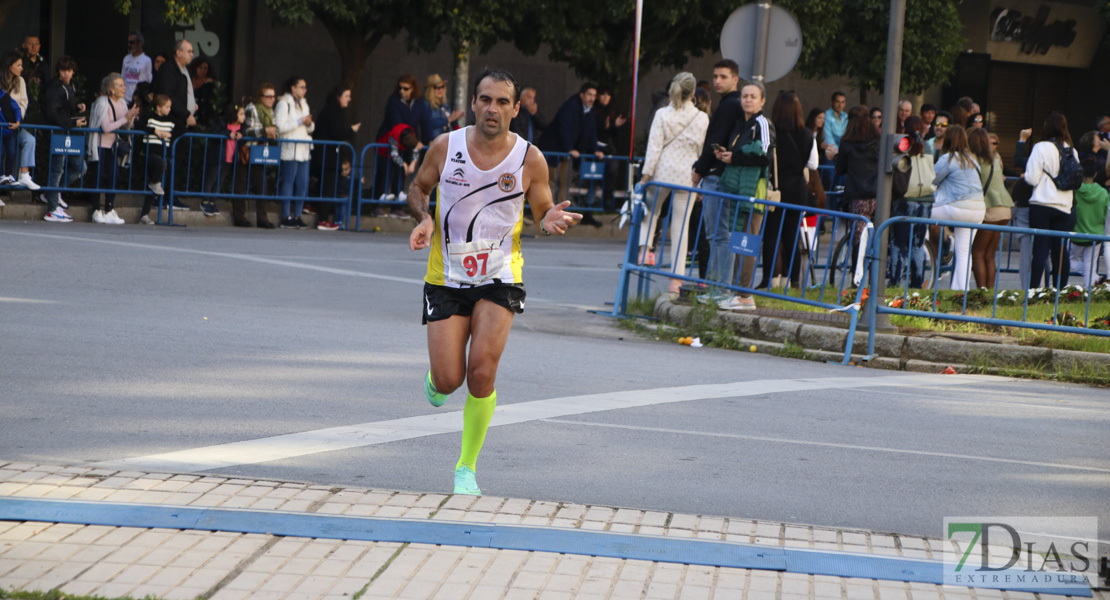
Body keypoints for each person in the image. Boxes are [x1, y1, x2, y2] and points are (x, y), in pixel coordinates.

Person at [406, 68, 582, 495]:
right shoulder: (446, 147)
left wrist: (550, 218)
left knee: (481, 372)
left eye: (503, 102)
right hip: (446, 277)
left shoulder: (529, 158)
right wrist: (424, 216)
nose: (492, 108)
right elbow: (418, 187)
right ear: (474, 103)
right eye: (486, 99)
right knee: (450, 379)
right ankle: (437, 380)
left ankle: (466, 468)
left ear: (516, 109)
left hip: (500, 276)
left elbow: (541, 211)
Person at [637, 72, 708, 296]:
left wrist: (646, 174)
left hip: (662, 172)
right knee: (681, 227)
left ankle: (645, 251)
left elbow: (654, 147)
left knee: (651, 212)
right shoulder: (702, 118)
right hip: (687, 177)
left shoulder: (662, 114)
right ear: (693, 93)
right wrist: (701, 182)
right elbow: (701, 151)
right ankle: (676, 281)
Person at [713, 81, 774, 311]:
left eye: (753, 96)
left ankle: (746, 296)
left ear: (762, 101)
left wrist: (735, 157)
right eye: (745, 96)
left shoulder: (762, 123)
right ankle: (739, 292)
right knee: (739, 241)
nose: (747, 100)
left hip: (754, 192)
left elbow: (765, 154)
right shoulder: (743, 124)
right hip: (739, 190)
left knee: (747, 243)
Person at [691, 59, 743, 290]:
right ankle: (718, 285)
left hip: (718, 175)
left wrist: (699, 169)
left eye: (723, 76)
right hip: (721, 174)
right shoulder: (730, 103)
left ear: (735, 79)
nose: (717, 81)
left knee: (718, 235)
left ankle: (720, 287)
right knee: (718, 234)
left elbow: (716, 139)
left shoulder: (730, 104)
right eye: (715, 76)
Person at [760, 90, 817, 290]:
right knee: (792, 237)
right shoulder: (807, 134)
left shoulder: (771, 132)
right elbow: (813, 164)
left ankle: (768, 279)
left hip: (776, 189)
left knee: (771, 235)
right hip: (797, 189)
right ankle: (793, 281)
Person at [1024, 112, 1078, 289]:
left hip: (1041, 203)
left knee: (1040, 248)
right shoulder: (1071, 150)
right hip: (1064, 206)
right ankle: (1060, 291)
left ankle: (1034, 290)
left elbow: (1031, 178)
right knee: (1060, 251)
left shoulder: (1041, 147)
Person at [932, 124, 985, 291]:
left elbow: (931, 180)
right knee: (964, 252)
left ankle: (929, 250)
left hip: (957, 208)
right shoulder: (973, 160)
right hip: (978, 210)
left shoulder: (948, 158)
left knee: (921, 214)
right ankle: (960, 290)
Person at [537, 82, 605, 206]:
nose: (592, 98)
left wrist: (595, 149)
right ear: (582, 95)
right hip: (554, 149)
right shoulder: (570, 106)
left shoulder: (589, 111)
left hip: (567, 152)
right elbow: (564, 128)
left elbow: (591, 132)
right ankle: (547, 212)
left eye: (594, 95)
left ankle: (560, 212)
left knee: (565, 182)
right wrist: (569, 148)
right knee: (551, 182)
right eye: (590, 95)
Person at [889, 116, 935, 288]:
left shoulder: (901, 145)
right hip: (926, 199)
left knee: (898, 243)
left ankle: (894, 282)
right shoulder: (928, 147)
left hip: (906, 198)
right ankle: (916, 284)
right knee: (918, 244)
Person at [86, 73, 139, 225]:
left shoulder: (122, 103)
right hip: (99, 145)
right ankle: (96, 210)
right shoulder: (102, 102)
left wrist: (130, 117)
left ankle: (109, 209)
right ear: (111, 89)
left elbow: (125, 126)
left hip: (112, 147)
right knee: (98, 177)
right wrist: (125, 118)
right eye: (120, 85)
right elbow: (106, 127)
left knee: (113, 177)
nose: (124, 88)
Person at [152, 39, 197, 212]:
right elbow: (168, 95)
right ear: (178, 53)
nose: (192, 54)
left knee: (176, 161)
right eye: (189, 51)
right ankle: (164, 198)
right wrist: (186, 114)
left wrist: (192, 106)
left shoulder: (184, 70)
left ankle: (171, 196)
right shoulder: (169, 69)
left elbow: (183, 94)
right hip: (173, 123)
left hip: (181, 122)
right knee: (169, 159)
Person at [40, 56, 85, 222]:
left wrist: (77, 107)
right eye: (63, 70)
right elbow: (53, 113)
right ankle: (52, 208)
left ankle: (51, 193)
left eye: (69, 70)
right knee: (57, 168)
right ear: (59, 71)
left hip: (65, 130)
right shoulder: (55, 87)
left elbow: (63, 109)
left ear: (73, 72)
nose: (66, 73)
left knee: (80, 166)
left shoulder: (68, 86)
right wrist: (73, 122)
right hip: (58, 131)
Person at [968, 127, 1013, 290]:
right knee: (989, 254)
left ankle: (982, 291)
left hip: (990, 209)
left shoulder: (974, 159)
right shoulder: (996, 156)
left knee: (978, 253)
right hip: (1005, 209)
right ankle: (990, 291)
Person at [375, 75, 426, 217]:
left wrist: (412, 163)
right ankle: (377, 204)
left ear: (413, 89)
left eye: (406, 88)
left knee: (401, 176)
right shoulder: (394, 101)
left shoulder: (419, 103)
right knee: (385, 173)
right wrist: (404, 164)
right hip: (392, 142)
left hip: (408, 141)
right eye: (400, 88)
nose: (402, 91)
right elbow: (396, 125)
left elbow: (424, 123)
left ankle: (396, 207)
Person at [311, 86, 360, 230]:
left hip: (325, 154)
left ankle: (312, 205)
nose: (349, 100)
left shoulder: (331, 110)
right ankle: (323, 219)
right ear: (338, 96)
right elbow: (337, 133)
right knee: (329, 186)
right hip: (327, 155)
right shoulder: (334, 111)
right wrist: (351, 130)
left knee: (325, 183)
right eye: (346, 96)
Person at [836, 105, 879, 265]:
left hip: (857, 195)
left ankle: (857, 278)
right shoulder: (878, 142)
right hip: (877, 195)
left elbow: (840, 170)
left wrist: (836, 157)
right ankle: (876, 277)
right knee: (878, 237)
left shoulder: (847, 144)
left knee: (858, 239)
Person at [274, 76, 314, 229]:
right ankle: (286, 216)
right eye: (301, 87)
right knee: (289, 182)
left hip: (303, 148)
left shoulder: (303, 104)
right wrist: (300, 121)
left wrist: (309, 124)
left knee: (302, 184)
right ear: (293, 88)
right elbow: (280, 126)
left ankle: (297, 215)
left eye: (305, 87)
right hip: (290, 148)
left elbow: (309, 128)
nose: (304, 90)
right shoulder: (284, 103)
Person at [0, 52, 40, 190]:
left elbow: (24, 102)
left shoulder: (20, 81)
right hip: (1, 125)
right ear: (9, 66)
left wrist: (18, 121)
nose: (21, 68)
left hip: (15, 124)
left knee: (29, 140)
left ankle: (24, 175)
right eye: (18, 65)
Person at [241, 83, 277, 228]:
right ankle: (240, 217)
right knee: (241, 184)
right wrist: (264, 131)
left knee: (262, 184)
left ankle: (262, 218)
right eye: (268, 96)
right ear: (260, 97)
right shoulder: (252, 108)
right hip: (248, 149)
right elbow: (247, 131)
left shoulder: (271, 111)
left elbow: (276, 130)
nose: (271, 99)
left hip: (262, 151)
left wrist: (272, 133)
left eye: (273, 96)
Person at [201, 103, 245, 221]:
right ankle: (205, 201)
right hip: (218, 156)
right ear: (233, 115)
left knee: (220, 180)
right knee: (211, 178)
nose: (243, 116)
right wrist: (227, 133)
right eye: (241, 114)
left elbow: (243, 139)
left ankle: (212, 202)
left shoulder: (241, 127)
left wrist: (241, 136)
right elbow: (214, 134)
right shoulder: (222, 123)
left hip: (230, 158)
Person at [1072, 158, 1109, 286]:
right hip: (1096, 234)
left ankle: (1095, 277)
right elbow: (1105, 214)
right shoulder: (1103, 193)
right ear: (1095, 174)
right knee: (1090, 267)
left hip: (1076, 234)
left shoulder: (1074, 190)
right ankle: (1091, 287)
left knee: (1069, 259)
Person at [137, 93, 173, 225]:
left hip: (163, 154)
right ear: (158, 107)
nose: (169, 109)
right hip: (149, 154)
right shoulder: (149, 117)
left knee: (154, 183)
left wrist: (170, 134)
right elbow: (139, 126)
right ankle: (154, 185)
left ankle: (144, 214)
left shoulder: (171, 120)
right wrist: (154, 131)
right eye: (167, 106)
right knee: (156, 176)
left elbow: (180, 130)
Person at [419, 74, 463, 144]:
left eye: (442, 87)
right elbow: (428, 123)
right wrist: (448, 119)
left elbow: (450, 119)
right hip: (435, 141)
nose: (440, 89)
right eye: (437, 87)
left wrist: (455, 119)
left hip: (448, 139)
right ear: (430, 89)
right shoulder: (425, 103)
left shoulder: (444, 103)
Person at [122, 31, 152, 105]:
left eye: (132, 42)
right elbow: (122, 77)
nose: (129, 45)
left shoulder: (147, 60)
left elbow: (149, 80)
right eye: (128, 42)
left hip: (139, 100)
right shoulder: (126, 58)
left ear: (140, 43)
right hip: (125, 99)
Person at [823, 91, 848, 158]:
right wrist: (838, 152)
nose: (840, 105)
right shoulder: (826, 116)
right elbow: (828, 137)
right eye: (837, 102)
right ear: (832, 102)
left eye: (843, 102)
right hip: (831, 152)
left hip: (844, 152)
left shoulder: (846, 116)